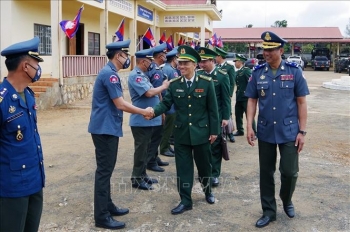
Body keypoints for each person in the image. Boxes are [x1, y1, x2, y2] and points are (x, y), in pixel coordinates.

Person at [245, 31, 309, 228]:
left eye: (271, 49)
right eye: (264, 49)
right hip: (265, 131)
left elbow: (301, 102)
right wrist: (249, 125)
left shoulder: (294, 71)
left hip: (289, 131)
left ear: (281, 50)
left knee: (289, 172)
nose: (266, 53)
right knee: (266, 172)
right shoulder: (258, 73)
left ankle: (286, 199)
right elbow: (252, 100)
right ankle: (269, 211)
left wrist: (302, 131)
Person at [88, 39, 154, 230]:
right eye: (125, 55)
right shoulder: (111, 75)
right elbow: (120, 104)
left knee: (106, 171)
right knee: (104, 172)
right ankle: (101, 216)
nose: (127, 59)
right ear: (118, 56)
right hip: (104, 129)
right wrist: (144, 112)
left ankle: (107, 206)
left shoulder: (110, 73)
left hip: (106, 128)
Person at [148, 45, 219, 215]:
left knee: (204, 167)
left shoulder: (206, 83)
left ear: (195, 65)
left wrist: (214, 131)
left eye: (186, 63)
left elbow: (213, 110)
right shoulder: (174, 84)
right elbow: (166, 103)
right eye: (180, 63)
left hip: (202, 133)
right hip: (181, 134)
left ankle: (208, 191)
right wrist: (153, 112)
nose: (181, 67)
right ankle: (185, 200)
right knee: (183, 169)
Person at [0, 37, 45, 231]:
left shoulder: (28, 94)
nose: (38, 68)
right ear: (25, 66)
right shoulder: (2, 100)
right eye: (36, 64)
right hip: (12, 187)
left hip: (35, 179)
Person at [128, 47, 170, 190]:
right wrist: (164, 86)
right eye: (150, 61)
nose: (151, 64)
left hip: (148, 120)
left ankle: (142, 175)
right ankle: (136, 179)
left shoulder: (143, 74)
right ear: (144, 62)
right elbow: (149, 92)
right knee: (141, 151)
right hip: (141, 121)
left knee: (146, 150)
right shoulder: (136, 75)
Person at [196, 47, 231, 187]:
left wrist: (225, 117)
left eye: (204, 62)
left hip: (216, 117)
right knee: (203, 146)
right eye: (200, 62)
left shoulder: (222, 75)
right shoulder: (198, 74)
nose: (202, 64)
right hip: (201, 117)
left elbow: (226, 98)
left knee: (216, 146)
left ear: (212, 60)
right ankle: (204, 171)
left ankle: (214, 174)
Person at [145, 43, 170, 171]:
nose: (166, 56)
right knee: (155, 135)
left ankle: (154, 158)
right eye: (164, 54)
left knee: (156, 135)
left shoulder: (155, 68)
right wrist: (162, 109)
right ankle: (151, 161)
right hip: (155, 106)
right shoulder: (155, 71)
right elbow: (157, 91)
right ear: (160, 56)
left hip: (154, 105)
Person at [159, 47, 180, 157]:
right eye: (178, 59)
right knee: (168, 128)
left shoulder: (167, 68)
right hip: (169, 104)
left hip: (169, 103)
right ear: (174, 59)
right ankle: (164, 148)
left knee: (169, 127)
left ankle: (167, 145)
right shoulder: (171, 70)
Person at [215, 47, 236, 142]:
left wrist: (229, 94)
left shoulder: (229, 67)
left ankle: (230, 133)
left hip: (226, 93)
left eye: (216, 56)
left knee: (228, 113)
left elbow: (232, 82)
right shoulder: (217, 67)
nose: (215, 58)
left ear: (219, 56)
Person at [233, 54, 257, 136]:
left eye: (236, 61)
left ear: (240, 62)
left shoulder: (246, 70)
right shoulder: (238, 71)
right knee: (238, 114)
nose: (235, 63)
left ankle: (254, 131)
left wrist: (250, 94)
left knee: (249, 115)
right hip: (239, 96)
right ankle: (240, 130)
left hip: (245, 97)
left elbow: (251, 83)